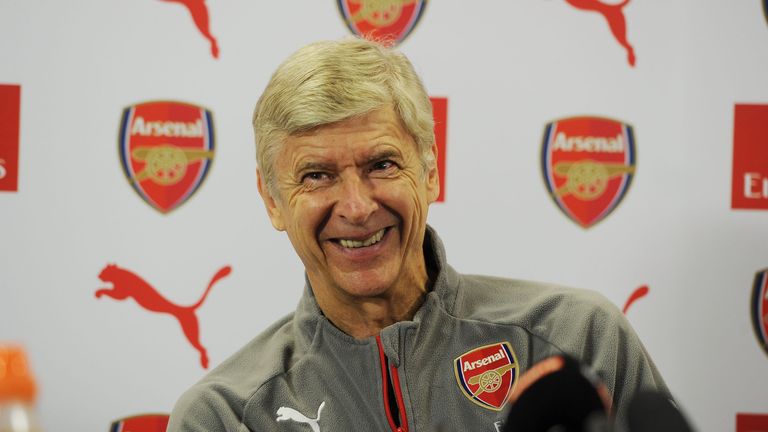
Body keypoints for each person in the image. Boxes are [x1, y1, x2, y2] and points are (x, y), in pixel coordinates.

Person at [167, 37, 668, 432]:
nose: (358, 207)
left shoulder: (580, 339)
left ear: (430, 170)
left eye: (382, 164)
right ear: (273, 199)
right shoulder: (225, 417)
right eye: (317, 175)